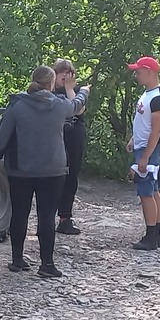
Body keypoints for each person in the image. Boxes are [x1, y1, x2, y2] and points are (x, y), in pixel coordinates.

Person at [0, 65, 76, 278]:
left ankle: (17, 260)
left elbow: (2, 137)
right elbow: (77, 105)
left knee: (19, 213)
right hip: (53, 170)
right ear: (52, 83)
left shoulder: (16, 106)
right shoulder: (60, 106)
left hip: (21, 169)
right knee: (46, 215)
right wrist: (80, 90)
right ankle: (47, 265)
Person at [125, 55, 160, 250]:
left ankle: (151, 236)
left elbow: (156, 130)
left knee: (145, 192)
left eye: (139, 71)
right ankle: (156, 234)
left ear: (149, 72)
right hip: (143, 146)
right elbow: (143, 123)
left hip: (150, 149)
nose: (136, 74)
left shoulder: (158, 99)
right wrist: (134, 140)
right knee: (153, 189)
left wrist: (144, 157)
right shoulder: (147, 94)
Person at [51, 59, 90, 236]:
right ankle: (48, 217)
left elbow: (78, 110)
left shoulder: (74, 92)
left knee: (71, 176)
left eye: (70, 74)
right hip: (55, 136)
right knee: (53, 176)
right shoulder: (48, 92)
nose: (66, 77)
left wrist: (70, 89)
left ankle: (65, 218)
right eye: (63, 74)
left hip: (74, 135)